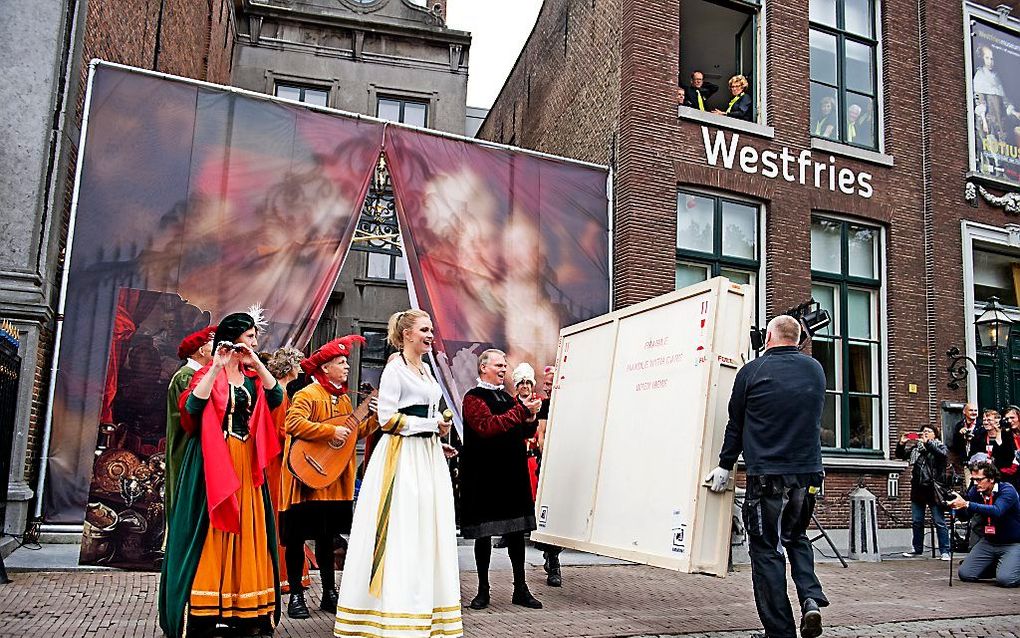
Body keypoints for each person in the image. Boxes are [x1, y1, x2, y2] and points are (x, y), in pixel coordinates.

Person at [333, 310, 462, 638]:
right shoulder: (395, 369)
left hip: (426, 455)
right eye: (424, 330)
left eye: (431, 329)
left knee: (426, 528)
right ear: (406, 334)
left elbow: (430, 411)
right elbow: (388, 418)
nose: (430, 335)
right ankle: (390, 610)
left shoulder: (427, 370)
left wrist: (438, 434)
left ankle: (423, 608)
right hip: (400, 458)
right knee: (402, 527)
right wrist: (430, 425)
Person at [159, 307, 284, 638]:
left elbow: (276, 395)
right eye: (249, 337)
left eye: (255, 338)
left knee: (248, 531)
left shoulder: (251, 380)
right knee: (212, 529)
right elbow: (192, 410)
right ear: (233, 339)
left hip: (244, 462)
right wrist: (217, 364)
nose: (254, 343)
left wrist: (256, 362)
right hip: (212, 462)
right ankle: (204, 613)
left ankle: (247, 612)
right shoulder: (203, 376)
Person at [704, 315, 828, 638]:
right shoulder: (815, 370)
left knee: (766, 551)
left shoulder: (751, 372)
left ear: (769, 336)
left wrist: (724, 465)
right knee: (796, 537)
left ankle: (780, 632)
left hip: (767, 478)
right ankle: (811, 599)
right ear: (799, 338)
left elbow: (736, 425)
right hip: (807, 476)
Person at [281, 336, 377, 619]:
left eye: (346, 361)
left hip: (334, 483)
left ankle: (329, 593)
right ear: (324, 368)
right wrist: (329, 432)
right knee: (297, 537)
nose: (347, 366)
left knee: (327, 537)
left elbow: (351, 434)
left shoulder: (345, 399)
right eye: (341, 362)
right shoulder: (307, 394)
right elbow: (293, 423)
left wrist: (373, 418)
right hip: (305, 481)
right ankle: (296, 596)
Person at [461, 349, 544, 610]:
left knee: (517, 533)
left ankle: (520, 587)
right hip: (485, 476)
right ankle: (482, 590)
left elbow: (521, 429)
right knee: (483, 535)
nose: (503, 369)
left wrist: (530, 416)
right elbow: (488, 426)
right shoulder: (473, 398)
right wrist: (521, 411)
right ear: (483, 367)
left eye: (505, 365)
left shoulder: (507, 397)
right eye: (498, 365)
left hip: (511, 474)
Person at [264, 346, 311, 598]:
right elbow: (282, 431)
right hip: (280, 463)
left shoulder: (278, 393)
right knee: (282, 514)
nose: (301, 368)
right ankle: (283, 575)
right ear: (290, 367)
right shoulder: (281, 395)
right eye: (297, 364)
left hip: (276, 461)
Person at [165, 325, 215, 520]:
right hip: (185, 443)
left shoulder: (190, 374)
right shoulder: (187, 376)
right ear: (201, 350)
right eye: (212, 344)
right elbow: (191, 413)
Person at [948, 459, 1020, 587]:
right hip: (989, 542)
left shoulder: (1007, 491)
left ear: (991, 479)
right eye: (973, 480)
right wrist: (956, 506)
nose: (975, 483)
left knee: (1006, 580)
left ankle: (1009, 567)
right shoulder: (976, 492)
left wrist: (967, 504)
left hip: (1012, 542)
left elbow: (997, 511)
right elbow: (966, 516)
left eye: (979, 479)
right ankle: (1003, 566)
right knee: (966, 574)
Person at [896, 424, 951, 560]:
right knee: (917, 521)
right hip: (918, 488)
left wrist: (929, 444)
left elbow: (942, 456)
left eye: (929, 431)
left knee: (939, 521)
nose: (925, 433)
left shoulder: (940, 446)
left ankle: (945, 551)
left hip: (933, 489)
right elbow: (901, 455)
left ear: (935, 435)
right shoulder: (917, 449)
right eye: (923, 431)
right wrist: (902, 443)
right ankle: (917, 548)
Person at [534, 364, 563, 588]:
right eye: (546, 384)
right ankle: (553, 561)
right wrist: (547, 460)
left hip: (568, 461)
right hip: (550, 462)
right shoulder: (545, 406)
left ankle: (552, 553)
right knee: (549, 513)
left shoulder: (572, 403)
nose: (548, 387)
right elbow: (541, 434)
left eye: (550, 383)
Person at [950, 402, 980, 468]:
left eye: (975, 410)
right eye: (971, 410)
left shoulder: (981, 425)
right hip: (965, 462)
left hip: (979, 461)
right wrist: (960, 434)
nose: (974, 412)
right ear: (964, 411)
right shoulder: (959, 425)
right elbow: (955, 445)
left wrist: (973, 437)